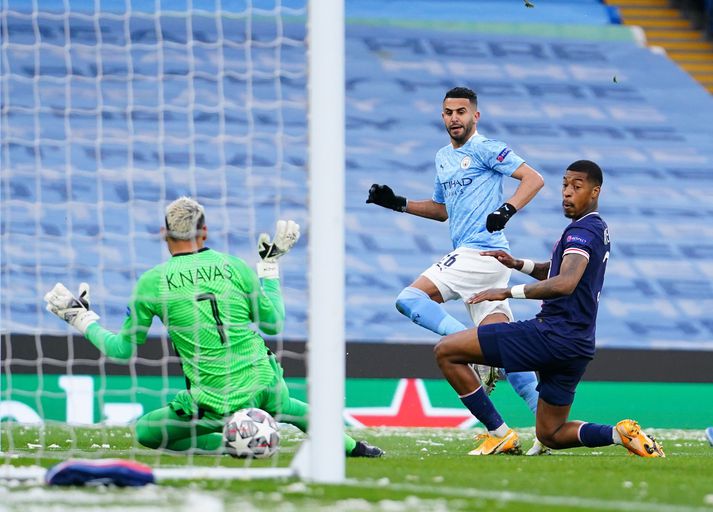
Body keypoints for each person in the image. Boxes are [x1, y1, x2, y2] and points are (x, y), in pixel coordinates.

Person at [44, 197, 383, 458]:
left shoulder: (153, 282)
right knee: (290, 407)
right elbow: (274, 323)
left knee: (147, 432)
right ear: (204, 232)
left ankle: (228, 443)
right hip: (265, 382)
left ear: (164, 234)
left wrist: (81, 318)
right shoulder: (233, 266)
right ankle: (356, 448)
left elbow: (121, 351)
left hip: (212, 399)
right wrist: (269, 268)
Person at [434, 160, 665, 457]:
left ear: (595, 192)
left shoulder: (583, 231)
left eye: (576, 187)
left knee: (446, 351)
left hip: (551, 335)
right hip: (577, 345)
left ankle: (499, 433)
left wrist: (507, 291)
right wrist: (519, 264)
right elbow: (557, 273)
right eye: (565, 185)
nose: (567, 193)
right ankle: (620, 435)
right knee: (551, 433)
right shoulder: (595, 229)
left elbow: (564, 283)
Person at [366, 86, 547, 454]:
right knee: (508, 351)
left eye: (461, 112)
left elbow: (534, 179)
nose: (454, 118)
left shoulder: (485, 147)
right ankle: (542, 432)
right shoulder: (442, 158)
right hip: (485, 262)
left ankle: (473, 352)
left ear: (475, 116)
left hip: (480, 252)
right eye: (448, 112)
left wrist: (507, 210)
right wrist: (397, 203)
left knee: (410, 298)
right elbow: (441, 209)